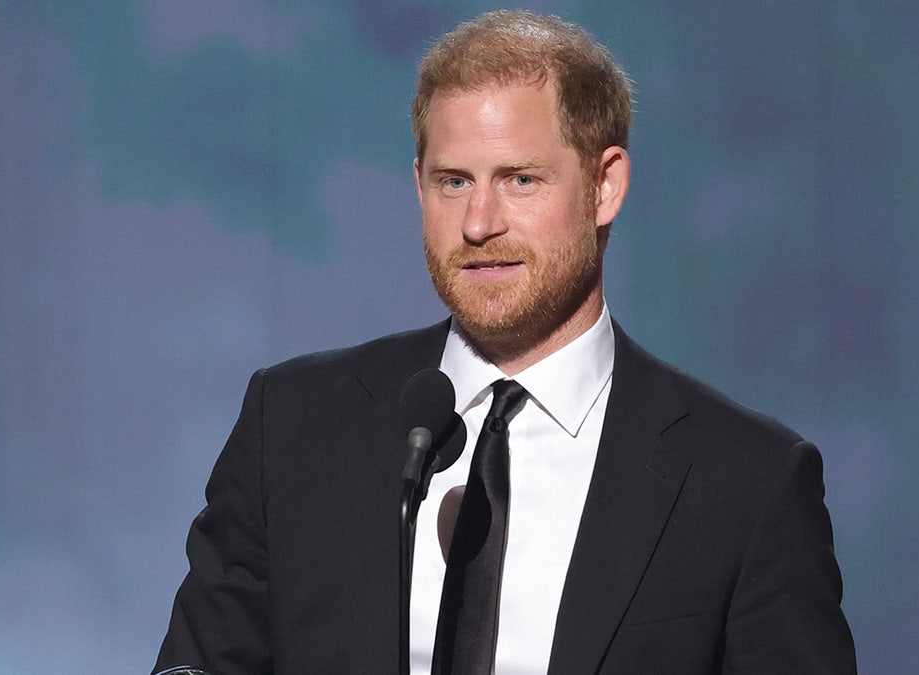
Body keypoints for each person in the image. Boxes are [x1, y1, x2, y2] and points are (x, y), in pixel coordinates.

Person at [154, 9, 855, 674]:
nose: (479, 221)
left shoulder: (746, 483)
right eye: (452, 181)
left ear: (605, 186)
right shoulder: (294, 426)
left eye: (520, 180)